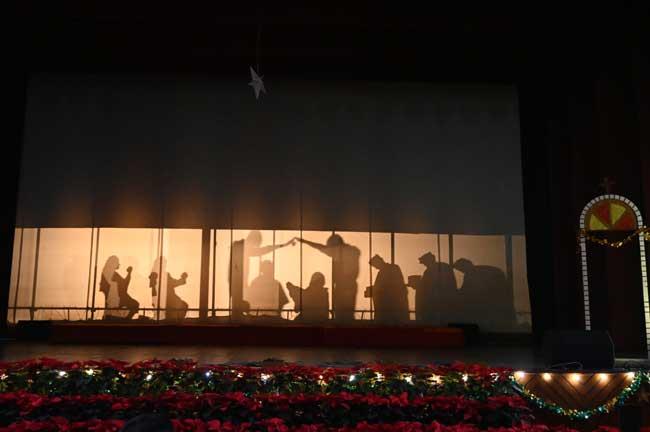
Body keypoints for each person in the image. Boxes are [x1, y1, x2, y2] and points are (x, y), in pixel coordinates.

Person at [294, 234, 360, 323]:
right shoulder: (352, 250)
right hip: (350, 285)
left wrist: (304, 241)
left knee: (341, 315)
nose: (329, 249)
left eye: (330, 246)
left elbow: (320, 247)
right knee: (348, 313)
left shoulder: (339, 251)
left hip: (343, 286)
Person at [230, 230, 295, 318]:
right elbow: (262, 250)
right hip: (238, 285)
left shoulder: (256, 282)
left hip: (238, 287)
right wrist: (283, 245)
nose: (256, 247)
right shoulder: (241, 247)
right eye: (256, 245)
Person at [452, 258, 516, 330]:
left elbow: (466, 291)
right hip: (500, 304)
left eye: (460, 269)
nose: (461, 271)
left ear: (464, 266)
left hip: (492, 306)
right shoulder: (482, 270)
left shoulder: (472, 274)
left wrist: (455, 292)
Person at [408, 252, 457, 325]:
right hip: (446, 302)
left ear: (428, 261)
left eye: (424, 263)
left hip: (436, 304)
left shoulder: (431, 271)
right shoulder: (444, 267)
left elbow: (428, 287)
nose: (425, 265)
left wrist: (418, 286)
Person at [368, 255, 409, 324]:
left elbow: (394, 286)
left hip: (390, 307)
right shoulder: (391, 269)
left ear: (379, 261)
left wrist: (376, 290)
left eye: (375, 265)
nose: (375, 267)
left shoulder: (391, 269)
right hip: (388, 307)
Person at [99, 255, 139, 320]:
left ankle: (123, 318)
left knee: (134, 304)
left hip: (118, 295)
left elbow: (123, 284)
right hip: (117, 296)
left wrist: (129, 273)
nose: (118, 264)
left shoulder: (109, 273)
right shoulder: (110, 273)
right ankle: (125, 320)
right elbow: (123, 285)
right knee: (134, 304)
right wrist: (129, 273)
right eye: (117, 262)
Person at [149, 257, 189, 322]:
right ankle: (178, 322)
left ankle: (177, 321)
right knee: (183, 306)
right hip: (169, 300)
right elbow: (174, 283)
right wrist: (183, 279)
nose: (165, 266)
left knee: (182, 306)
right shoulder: (162, 275)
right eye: (164, 264)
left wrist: (154, 300)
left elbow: (153, 290)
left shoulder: (155, 274)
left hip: (167, 299)